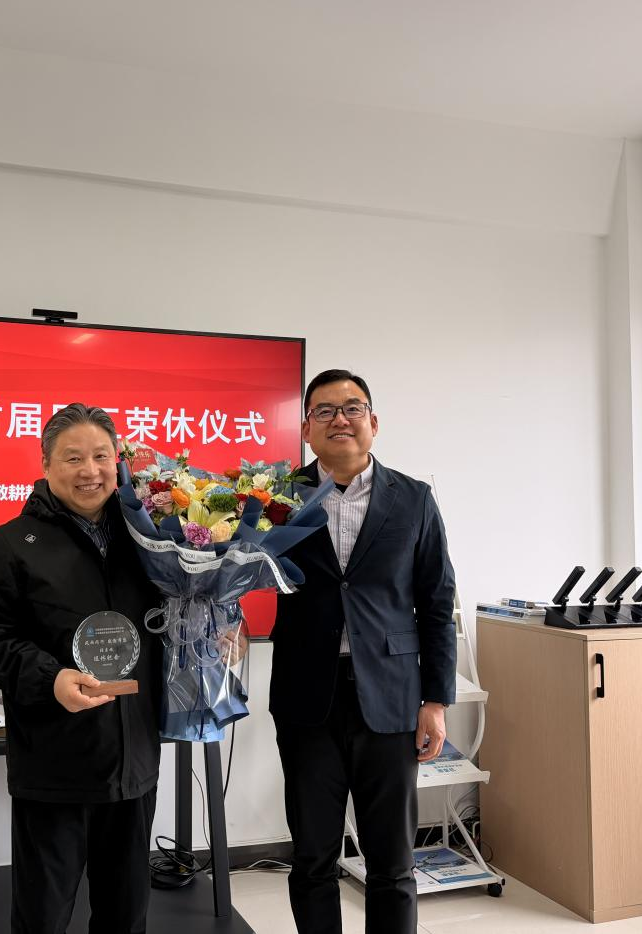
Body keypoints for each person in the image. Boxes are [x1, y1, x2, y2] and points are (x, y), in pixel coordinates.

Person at [0, 403, 162, 934]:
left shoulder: (151, 539)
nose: (90, 471)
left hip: (133, 761)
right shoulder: (13, 542)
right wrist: (50, 678)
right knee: (43, 917)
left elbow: (172, 618)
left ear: (118, 462)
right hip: (54, 765)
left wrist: (216, 631)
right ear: (46, 464)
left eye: (101, 456)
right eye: (73, 458)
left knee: (126, 915)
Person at [270, 369, 457, 934]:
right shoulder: (275, 498)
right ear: (306, 428)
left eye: (352, 408)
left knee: (393, 862)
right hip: (307, 697)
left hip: (392, 698)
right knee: (312, 857)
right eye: (324, 411)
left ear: (373, 422)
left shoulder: (414, 498)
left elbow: (436, 602)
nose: (340, 420)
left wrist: (435, 700)